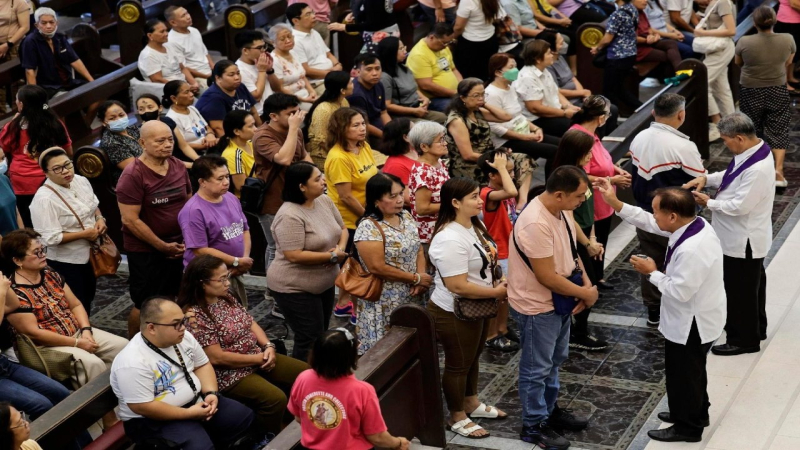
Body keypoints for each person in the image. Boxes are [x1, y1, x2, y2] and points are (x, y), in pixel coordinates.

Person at [597, 180, 724, 443]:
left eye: (657, 211)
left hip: (692, 322)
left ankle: (688, 428)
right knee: (692, 371)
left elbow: (679, 291)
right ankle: (695, 412)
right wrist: (616, 203)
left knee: (684, 375)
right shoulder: (694, 224)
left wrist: (651, 272)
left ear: (673, 216)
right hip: (699, 315)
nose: (654, 216)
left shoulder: (692, 248)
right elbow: (649, 222)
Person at [2, 229, 128, 429]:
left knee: (124, 347)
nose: (43, 255)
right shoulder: (16, 291)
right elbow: (34, 333)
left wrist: (86, 331)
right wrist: (78, 343)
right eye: (37, 252)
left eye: (43, 250)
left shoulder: (49, 273)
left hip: (77, 332)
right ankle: (108, 418)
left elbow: (76, 305)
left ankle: (130, 402)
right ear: (17, 260)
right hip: (48, 347)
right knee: (92, 364)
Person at [507, 166, 595, 448]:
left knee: (554, 361)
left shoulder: (563, 210)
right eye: (580, 195)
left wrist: (587, 287)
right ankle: (533, 425)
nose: (583, 200)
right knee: (536, 368)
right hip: (537, 306)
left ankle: (549, 411)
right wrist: (585, 293)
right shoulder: (535, 223)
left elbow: (572, 253)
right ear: (559, 194)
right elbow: (546, 276)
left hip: (560, 299)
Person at [178, 255, 307, 434]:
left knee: (305, 374)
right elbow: (217, 357)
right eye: (221, 279)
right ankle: (266, 438)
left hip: (257, 355)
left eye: (227, 276)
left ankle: (295, 423)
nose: (228, 283)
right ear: (202, 283)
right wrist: (258, 358)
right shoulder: (195, 315)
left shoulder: (226, 297)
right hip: (229, 372)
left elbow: (250, 322)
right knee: (275, 398)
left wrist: (268, 346)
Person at [110, 297, 255, 449]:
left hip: (196, 401)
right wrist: (189, 414)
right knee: (200, 447)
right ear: (151, 328)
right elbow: (143, 407)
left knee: (242, 417)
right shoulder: (132, 362)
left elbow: (202, 365)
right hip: (153, 420)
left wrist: (211, 393)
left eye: (183, 321)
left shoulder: (183, 337)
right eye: (176, 324)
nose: (183, 328)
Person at [683, 113, 774, 356]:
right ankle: (756, 327)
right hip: (741, 236)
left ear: (740, 137)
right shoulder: (753, 151)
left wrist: (709, 202)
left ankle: (744, 340)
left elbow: (740, 206)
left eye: (726, 140)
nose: (725, 144)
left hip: (743, 240)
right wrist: (706, 178)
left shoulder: (758, 168)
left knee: (740, 291)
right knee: (752, 287)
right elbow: (731, 176)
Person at [428, 177, 508, 439]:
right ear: (454, 203)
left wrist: (497, 278)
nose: (480, 200)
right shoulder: (448, 238)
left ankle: (471, 402)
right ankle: (456, 415)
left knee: (473, 357)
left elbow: (486, 258)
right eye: (474, 197)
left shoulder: (475, 224)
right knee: (458, 364)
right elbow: (457, 285)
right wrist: (496, 291)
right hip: (454, 310)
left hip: (479, 305)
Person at [630, 93, 706, 325]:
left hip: (645, 213)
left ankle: (654, 311)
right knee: (681, 262)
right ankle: (682, 311)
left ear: (654, 113)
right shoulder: (683, 146)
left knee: (650, 258)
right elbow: (698, 178)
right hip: (676, 218)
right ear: (681, 115)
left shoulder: (639, 137)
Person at [117, 120, 192, 337]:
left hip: (179, 244)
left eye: (170, 139)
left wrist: (189, 239)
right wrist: (162, 247)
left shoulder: (177, 165)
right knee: (147, 303)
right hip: (147, 250)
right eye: (160, 141)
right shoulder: (133, 175)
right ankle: (133, 345)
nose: (167, 145)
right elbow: (130, 220)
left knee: (179, 295)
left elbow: (188, 204)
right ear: (142, 142)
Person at [268, 162, 348, 361]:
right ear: (301, 186)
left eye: (322, 176)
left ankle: (320, 375)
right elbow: (293, 254)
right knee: (309, 338)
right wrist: (331, 257)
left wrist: (340, 249)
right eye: (317, 179)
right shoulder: (289, 215)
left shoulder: (324, 201)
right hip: (294, 286)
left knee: (321, 333)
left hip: (324, 281)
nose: (323, 181)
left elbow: (343, 229)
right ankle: (302, 383)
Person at [288, 329, 411, 450]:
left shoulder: (303, 378)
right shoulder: (362, 390)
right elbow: (376, 437)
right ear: (350, 357)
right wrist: (398, 443)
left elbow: (299, 417)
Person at [354, 173, 432, 354]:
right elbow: (377, 267)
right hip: (385, 299)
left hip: (413, 293)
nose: (399, 200)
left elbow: (418, 248)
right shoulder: (368, 227)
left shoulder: (405, 216)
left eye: (400, 194)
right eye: (392, 196)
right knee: (386, 353)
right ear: (376, 200)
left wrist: (420, 277)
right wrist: (415, 278)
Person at [550, 131, 608, 351]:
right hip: (572, 238)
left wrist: (592, 237)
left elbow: (588, 210)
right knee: (586, 283)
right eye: (588, 152)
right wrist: (587, 244)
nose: (591, 156)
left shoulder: (582, 173)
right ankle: (577, 332)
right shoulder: (564, 178)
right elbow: (569, 216)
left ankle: (578, 330)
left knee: (589, 283)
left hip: (585, 234)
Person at [30, 148, 103, 312]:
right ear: (46, 173)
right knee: (76, 302)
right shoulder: (44, 199)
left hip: (89, 254)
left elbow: (93, 206)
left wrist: (100, 219)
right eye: (57, 169)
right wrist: (84, 234)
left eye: (67, 165)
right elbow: (49, 238)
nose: (65, 171)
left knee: (89, 295)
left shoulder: (81, 181)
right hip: (65, 261)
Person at [570, 95, 630, 292]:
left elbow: (601, 160)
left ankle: (599, 277)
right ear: (600, 117)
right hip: (590, 201)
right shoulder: (580, 138)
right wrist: (613, 180)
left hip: (603, 199)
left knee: (602, 239)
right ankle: (591, 282)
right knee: (590, 243)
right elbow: (581, 174)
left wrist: (614, 169)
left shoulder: (592, 134)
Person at [325, 108, 379, 319]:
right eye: (355, 125)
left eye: (363, 123)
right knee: (355, 265)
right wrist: (369, 217)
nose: (362, 128)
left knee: (355, 265)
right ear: (341, 129)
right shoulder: (338, 157)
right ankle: (352, 307)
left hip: (367, 215)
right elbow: (346, 196)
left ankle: (344, 303)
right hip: (349, 220)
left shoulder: (362, 146)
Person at [179, 155, 252, 306]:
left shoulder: (230, 197)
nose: (226, 182)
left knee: (239, 316)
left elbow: (244, 230)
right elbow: (200, 249)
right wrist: (237, 262)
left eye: (227, 176)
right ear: (202, 182)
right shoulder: (193, 211)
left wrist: (244, 259)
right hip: (209, 280)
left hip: (234, 272)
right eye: (220, 179)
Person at [735, 6, 796, 188]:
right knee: (778, 127)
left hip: (751, 88)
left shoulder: (745, 41)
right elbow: (789, 61)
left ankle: (752, 170)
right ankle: (778, 172)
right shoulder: (787, 39)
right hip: (777, 87)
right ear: (774, 21)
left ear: (755, 23)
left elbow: (738, 62)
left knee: (752, 128)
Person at [253, 93, 313, 277]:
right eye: (291, 113)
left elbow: (303, 156)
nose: (297, 116)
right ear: (273, 116)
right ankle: (272, 289)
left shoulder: (296, 131)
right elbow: (284, 159)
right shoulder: (262, 136)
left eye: (297, 112)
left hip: (296, 197)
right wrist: (294, 129)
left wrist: (315, 177)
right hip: (272, 200)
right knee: (276, 247)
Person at [0, 277, 75, 422]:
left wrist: (5, 285)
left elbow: (13, 304)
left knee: (62, 393)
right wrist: (2, 291)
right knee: (42, 405)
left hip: (3, 364)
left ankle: (85, 444)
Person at [446, 78, 534, 201]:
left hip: (488, 156)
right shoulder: (457, 120)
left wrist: (484, 103)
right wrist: (496, 157)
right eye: (476, 95)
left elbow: (506, 117)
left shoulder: (476, 111)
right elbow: (467, 155)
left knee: (524, 159)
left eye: (483, 94)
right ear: (463, 98)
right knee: (508, 165)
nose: (481, 98)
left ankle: (522, 202)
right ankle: (506, 198)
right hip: (470, 165)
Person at [0, 85, 71, 227]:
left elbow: (3, 147)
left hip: (23, 183)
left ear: (21, 104)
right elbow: (68, 152)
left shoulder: (13, 127)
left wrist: (13, 121)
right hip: (52, 177)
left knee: (31, 223)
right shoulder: (55, 123)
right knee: (56, 220)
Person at [486, 53, 560, 177]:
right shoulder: (491, 93)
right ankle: (550, 189)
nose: (515, 70)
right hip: (507, 140)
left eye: (515, 66)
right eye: (510, 67)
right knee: (555, 151)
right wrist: (524, 137)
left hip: (523, 132)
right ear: (498, 72)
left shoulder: (510, 88)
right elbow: (494, 127)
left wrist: (536, 129)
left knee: (564, 144)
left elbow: (519, 116)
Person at [535, 31, 620, 137]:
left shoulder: (560, 58)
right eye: (561, 43)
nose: (565, 45)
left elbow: (573, 78)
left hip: (576, 99)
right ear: (551, 49)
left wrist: (583, 94)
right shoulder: (547, 67)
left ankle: (611, 140)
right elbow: (557, 91)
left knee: (612, 109)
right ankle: (599, 145)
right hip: (568, 103)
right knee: (599, 114)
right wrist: (578, 96)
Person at [477, 151, 520, 352]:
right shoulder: (487, 194)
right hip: (498, 252)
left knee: (506, 295)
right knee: (498, 296)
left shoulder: (501, 188)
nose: (511, 176)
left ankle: (502, 328)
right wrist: (501, 166)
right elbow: (512, 192)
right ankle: (491, 334)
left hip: (509, 249)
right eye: (506, 172)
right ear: (492, 175)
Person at [19, 8, 94, 99]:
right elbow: (30, 71)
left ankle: (89, 114)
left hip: (67, 82)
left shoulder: (59, 37)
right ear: (36, 25)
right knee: (69, 100)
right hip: (48, 88)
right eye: (44, 23)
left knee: (97, 92)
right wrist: (36, 97)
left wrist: (92, 81)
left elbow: (74, 60)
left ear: (56, 23)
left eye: (51, 22)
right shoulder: (30, 42)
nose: (48, 26)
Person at [515, 40, 581, 138]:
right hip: (539, 119)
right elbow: (535, 108)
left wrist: (568, 106)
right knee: (578, 129)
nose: (552, 55)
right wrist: (564, 113)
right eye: (549, 53)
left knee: (593, 115)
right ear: (538, 59)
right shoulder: (527, 77)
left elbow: (556, 92)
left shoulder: (544, 69)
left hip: (555, 111)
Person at [591, 0, 647, 110]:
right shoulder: (632, 9)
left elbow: (607, 39)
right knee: (618, 89)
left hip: (617, 57)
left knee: (609, 92)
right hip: (630, 55)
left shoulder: (617, 14)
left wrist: (597, 48)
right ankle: (640, 110)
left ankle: (640, 110)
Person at [376, 37, 446, 125]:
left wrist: (425, 98)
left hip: (417, 107)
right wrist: (414, 111)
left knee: (444, 118)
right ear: (391, 52)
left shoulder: (403, 68)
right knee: (431, 127)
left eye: (404, 47)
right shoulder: (385, 77)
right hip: (402, 115)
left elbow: (414, 88)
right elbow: (387, 106)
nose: (405, 51)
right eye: (401, 49)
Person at [407, 121, 450, 253]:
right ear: (424, 147)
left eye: (444, 138)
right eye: (440, 140)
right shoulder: (423, 172)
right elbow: (422, 208)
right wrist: (455, 204)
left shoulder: (439, 163)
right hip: (431, 236)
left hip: (444, 228)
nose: (445, 143)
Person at [696, 0, 735, 141]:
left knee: (701, 83)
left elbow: (731, 30)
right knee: (721, 88)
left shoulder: (722, 2)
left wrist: (702, 32)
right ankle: (732, 125)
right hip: (715, 49)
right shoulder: (715, 3)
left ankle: (716, 122)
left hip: (721, 49)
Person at [195, 60, 261, 138]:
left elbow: (253, 112)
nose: (237, 77)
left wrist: (261, 133)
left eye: (238, 73)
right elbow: (219, 129)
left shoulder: (241, 87)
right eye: (231, 75)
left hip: (247, 132)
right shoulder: (213, 98)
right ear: (218, 78)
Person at [287, 3, 342, 94]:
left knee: (357, 85)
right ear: (296, 21)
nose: (313, 16)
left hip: (331, 76)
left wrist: (337, 64)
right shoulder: (295, 41)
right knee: (344, 92)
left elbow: (328, 54)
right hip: (317, 82)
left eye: (313, 12)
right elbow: (306, 70)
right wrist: (331, 74)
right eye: (308, 15)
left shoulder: (314, 32)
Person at [407, 23, 463, 112]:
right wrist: (455, 94)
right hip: (434, 98)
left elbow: (453, 69)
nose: (446, 46)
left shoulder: (443, 48)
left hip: (454, 93)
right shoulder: (419, 55)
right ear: (432, 37)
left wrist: (462, 86)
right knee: (459, 109)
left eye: (450, 42)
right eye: (444, 42)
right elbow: (426, 85)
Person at [306, 71, 352, 169]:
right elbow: (321, 141)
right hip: (325, 155)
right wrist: (344, 154)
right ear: (343, 90)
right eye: (350, 83)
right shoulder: (323, 110)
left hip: (342, 147)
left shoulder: (344, 101)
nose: (353, 84)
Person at [136, 93, 199, 165]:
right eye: (141, 109)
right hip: (169, 167)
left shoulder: (168, 121)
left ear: (160, 108)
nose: (146, 111)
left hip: (183, 159)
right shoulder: (140, 132)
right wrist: (191, 165)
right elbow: (159, 160)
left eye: (150, 107)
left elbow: (184, 146)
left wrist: (198, 160)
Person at [452, 0, 507, 81]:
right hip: (490, 40)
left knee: (469, 75)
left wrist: (453, 38)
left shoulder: (467, 2)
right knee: (486, 73)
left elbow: (458, 27)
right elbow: (498, 18)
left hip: (470, 44)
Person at [164, 80, 220, 156]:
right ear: (174, 98)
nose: (191, 94)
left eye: (190, 91)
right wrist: (207, 145)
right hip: (195, 154)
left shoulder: (192, 109)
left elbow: (207, 127)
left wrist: (210, 135)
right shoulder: (172, 118)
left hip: (210, 148)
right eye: (186, 92)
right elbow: (182, 145)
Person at [269, 23, 317, 111]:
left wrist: (312, 91)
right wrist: (303, 99)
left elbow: (302, 76)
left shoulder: (293, 52)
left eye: (289, 37)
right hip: (290, 100)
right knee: (318, 111)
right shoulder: (274, 60)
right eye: (282, 39)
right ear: (273, 42)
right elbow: (279, 89)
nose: (288, 41)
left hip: (306, 95)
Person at [138, 19, 197, 89]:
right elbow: (157, 80)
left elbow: (182, 68)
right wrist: (185, 88)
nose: (166, 34)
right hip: (171, 91)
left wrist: (194, 83)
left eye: (166, 30)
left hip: (185, 86)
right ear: (150, 35)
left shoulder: (169, 46)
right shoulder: (148, 55)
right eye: (162, 32)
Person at [165, 6, 214, 90]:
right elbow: (183, 68)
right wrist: (207, 76)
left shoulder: (194, 30)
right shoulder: (171, 41)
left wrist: (215, 69)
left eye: (187, 13)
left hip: (210, 72)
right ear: (173, 22)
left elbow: (205, 53)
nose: (188, 17)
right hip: (198, 77)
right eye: (183, 16)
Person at [347, 53, 392, 144]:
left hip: (381, 129)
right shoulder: (356, 94)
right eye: (369, 69)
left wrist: (392, 131)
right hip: (366, 134)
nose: (375, 73)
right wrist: (386, 136)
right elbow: (364, 125)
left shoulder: (379, 84)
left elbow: (383, 112)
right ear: (358, 72)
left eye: (377, 69)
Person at [97, 100, 143, 187]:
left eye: (121, 115)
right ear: (103, 122)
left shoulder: (132, 129)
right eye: (112, 118)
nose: (118, 119)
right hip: (134, 183)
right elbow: (135, 170)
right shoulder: (111, 142)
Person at [234, 30, 280, 117]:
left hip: (275, 108)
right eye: (259, 48)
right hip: (261, 115)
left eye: (264, 46)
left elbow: (277, 88)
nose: (263, 51)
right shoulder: (239, 70)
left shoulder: (261, 62)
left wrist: (270, 71)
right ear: (245, 51)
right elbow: (256, 97)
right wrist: (262, 71)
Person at [635, 1, 683, 72]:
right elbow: (632, 38)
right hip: (638, 47)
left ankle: (681, 72)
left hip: (648, 41)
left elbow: (649, 28)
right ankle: (676, 75)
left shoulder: (641, 11)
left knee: (671, 43)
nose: (645, 1)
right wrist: (647, 40)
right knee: (667, 56)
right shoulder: (628, 15)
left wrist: (654, 35)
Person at [219, 110, 257, 196]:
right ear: (237, 131)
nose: (256, 129)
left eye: (254, 124)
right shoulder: (233, 154)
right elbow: (241, 187)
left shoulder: (251, 143)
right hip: (250, 201)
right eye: (251, 126)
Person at [380, 118, 418, 201]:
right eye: (415, 130)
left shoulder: (415, 151)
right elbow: (408, 198)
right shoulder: (396, 165)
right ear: (406, 137)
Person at [775, 0, 800, 91]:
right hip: (787, 22)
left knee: (795, 52)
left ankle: (790, 77)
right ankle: (783, 82)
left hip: (795, 21)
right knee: (786, 54)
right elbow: (794, 3)